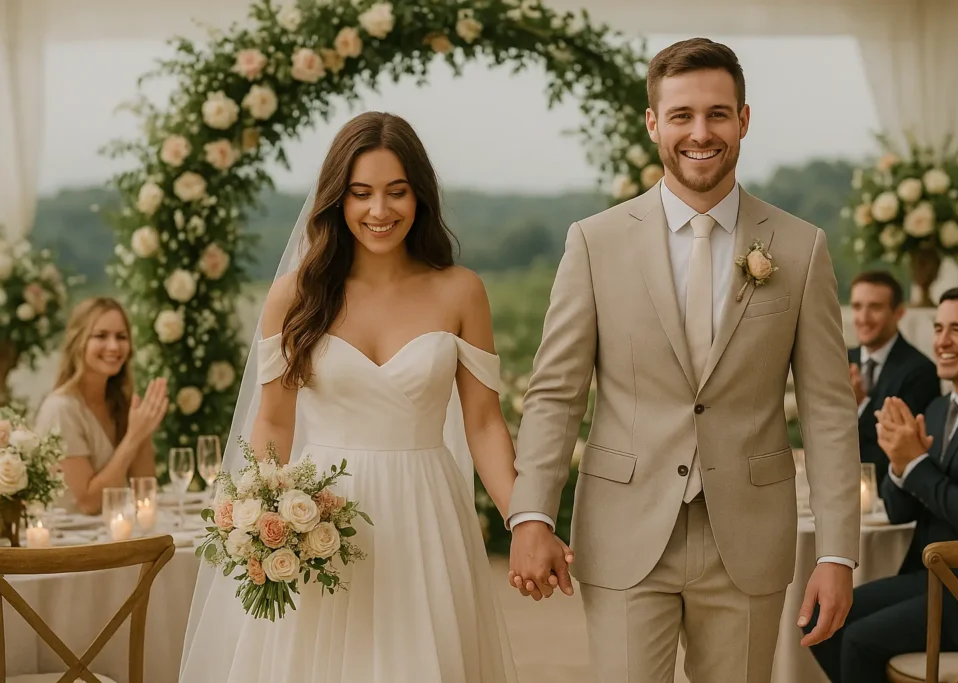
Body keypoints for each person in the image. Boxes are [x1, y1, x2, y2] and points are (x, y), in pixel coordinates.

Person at [506, 37, 861, 682]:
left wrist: (838, 552)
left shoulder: (801, 248)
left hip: (749, 538)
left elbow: (830, 410)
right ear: (653, 124)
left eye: (718, 114)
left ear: (744, 120)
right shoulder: (595, 242)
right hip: (623, 531)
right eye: (682, 115)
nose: (701, 133)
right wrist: (532, 514)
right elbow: (555, 394)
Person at [178, 111, 569, 683]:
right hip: (319, 518)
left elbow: (484, 424)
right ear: (337, 199)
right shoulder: (294, 295)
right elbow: (273, 423)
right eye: (361, 194)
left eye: (396, 192)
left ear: (420, 197)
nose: (379, 211)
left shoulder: (461, 290)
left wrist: (526, 522)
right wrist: (261, 516)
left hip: (426, 517)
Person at [806, 286, 958, 682]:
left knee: (857, 640)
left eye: (957, 330)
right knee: (820, 620)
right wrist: (898, 466)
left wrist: (916, 463)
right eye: (939, 328)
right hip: (933, 581)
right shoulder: (939, 409)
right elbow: (900, 508)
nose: (941, 341)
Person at [35, 297, 167, 515]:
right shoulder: (61, 409)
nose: (114, 346)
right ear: (79, 341)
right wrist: (133, 438)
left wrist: (144, 432)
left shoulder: (120, 402)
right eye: (101, 336)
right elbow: (89, 503)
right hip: (69, 542)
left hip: (112, 533)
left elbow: (143, 492)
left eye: (121, 337)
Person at [847, 270, 940, 489]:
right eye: (857, 306)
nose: (863, 318)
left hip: (889, 496)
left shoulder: (921, 371)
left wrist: (861, 405)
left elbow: (901, 452)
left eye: (875, 307)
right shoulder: (841, 360)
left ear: (898, 312)